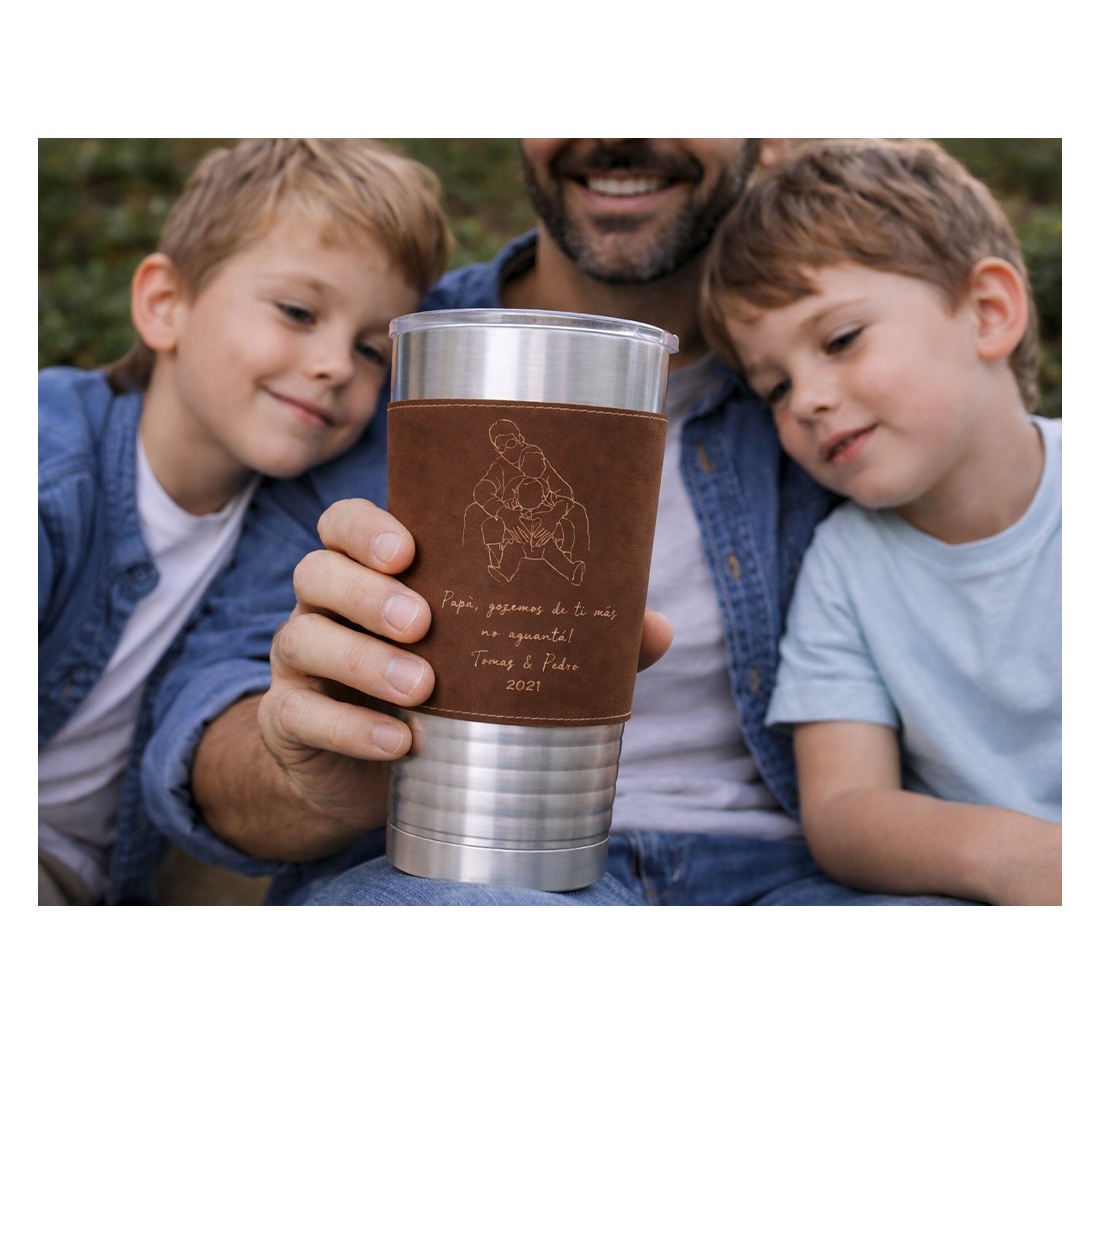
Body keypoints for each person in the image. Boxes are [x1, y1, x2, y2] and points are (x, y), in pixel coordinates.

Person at [139, 138, 976, 906]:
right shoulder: (378, 353)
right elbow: (209, 718)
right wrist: (306, 772)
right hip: (463, 877)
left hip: (797, 883)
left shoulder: (838, 359)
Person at [39, 138, 450, 904]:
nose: (336, 365)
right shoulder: (45, 460)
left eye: (370, 350)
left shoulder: (295, 529)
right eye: (298, 312)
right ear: (166, 304)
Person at [699, 138, 1061, 905]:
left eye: (840, 340)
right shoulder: (842, 568)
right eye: (774, 388)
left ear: (988, 313)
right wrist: (1020, 859)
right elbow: (844, 809)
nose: (807, 400)